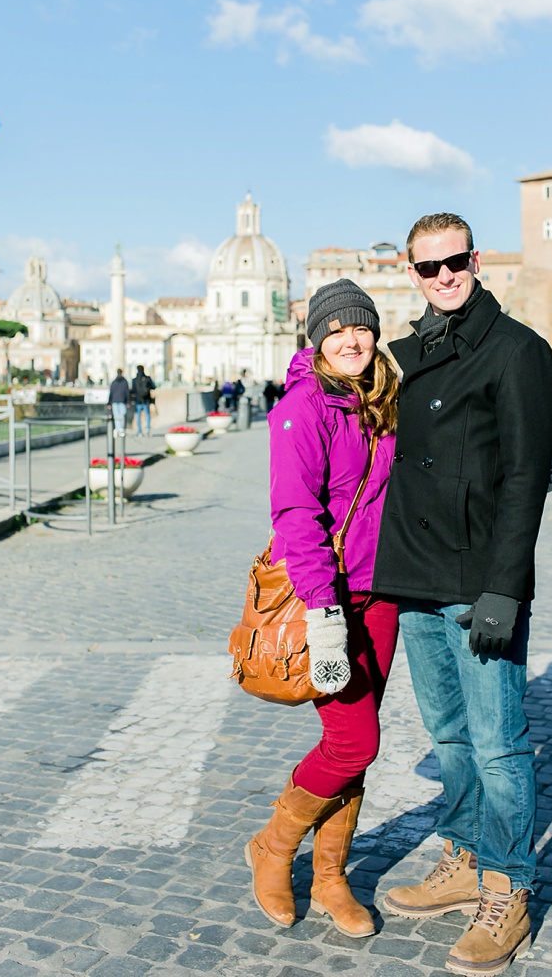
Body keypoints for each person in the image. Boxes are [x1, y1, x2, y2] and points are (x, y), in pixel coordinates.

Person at [373, 213, 552, 977]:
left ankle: (508, 890)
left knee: (499, 743)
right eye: (427, 267)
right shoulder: (406, 355)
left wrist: (503, 590)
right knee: (448, 738)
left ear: (476, 260)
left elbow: (525, 480)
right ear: (411, 273)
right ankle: (463, 858)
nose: (443, 275)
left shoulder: (518, 352)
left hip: (477, 582)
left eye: (454, 261)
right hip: (413, 577)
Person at [247, 279, 398, 940]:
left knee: (353, 745)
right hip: (328, 599)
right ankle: (274, 847)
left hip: (386, 593)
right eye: (335, 330)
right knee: (354, 739)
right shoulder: (301, 409)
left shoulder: (391, 400)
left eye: (360, 327)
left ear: (374, 332)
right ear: (317, 339)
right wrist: (323, 614)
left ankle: (332, 875)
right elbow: (296, 515)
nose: (350, 338)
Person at [130, 364, 155, 436]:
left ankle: (139, 431)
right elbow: (153, 386)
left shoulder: (134, 380)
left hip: (138, 400)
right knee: (147, 414)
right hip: (146, 399)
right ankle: (147, 429)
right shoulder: (147, 378)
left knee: (138, 416)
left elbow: (133, 390)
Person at [109, 367, 130, 433]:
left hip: (114, 400)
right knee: (121, 415)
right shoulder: (124, 382)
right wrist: (128, 401)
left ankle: (117, 429)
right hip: (122, 400)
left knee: (116, 416)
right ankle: (121, 428)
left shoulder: (114, 382)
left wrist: (109, 403)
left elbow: (111, 392)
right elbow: (127, 392)